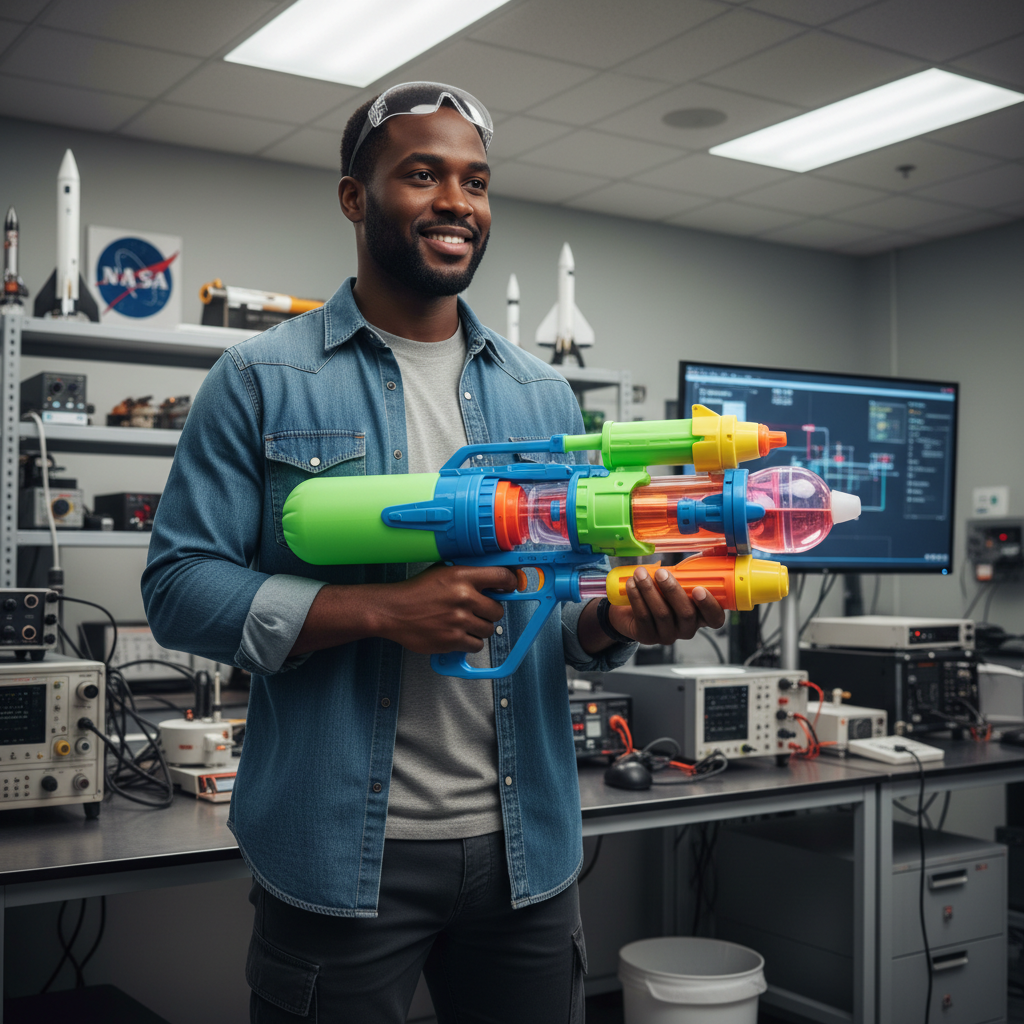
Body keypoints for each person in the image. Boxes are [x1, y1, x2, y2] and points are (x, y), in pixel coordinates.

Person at [143, 81, 725, 1024]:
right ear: (353, 198)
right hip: (340, 857)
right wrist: (380, 610)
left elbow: (560, 611)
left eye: (477, 181)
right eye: (423, 174)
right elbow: (177, 587)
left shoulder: (542, 400)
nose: (458, 201)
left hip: (525, 855)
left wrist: (616, 617)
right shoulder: (260, 380)